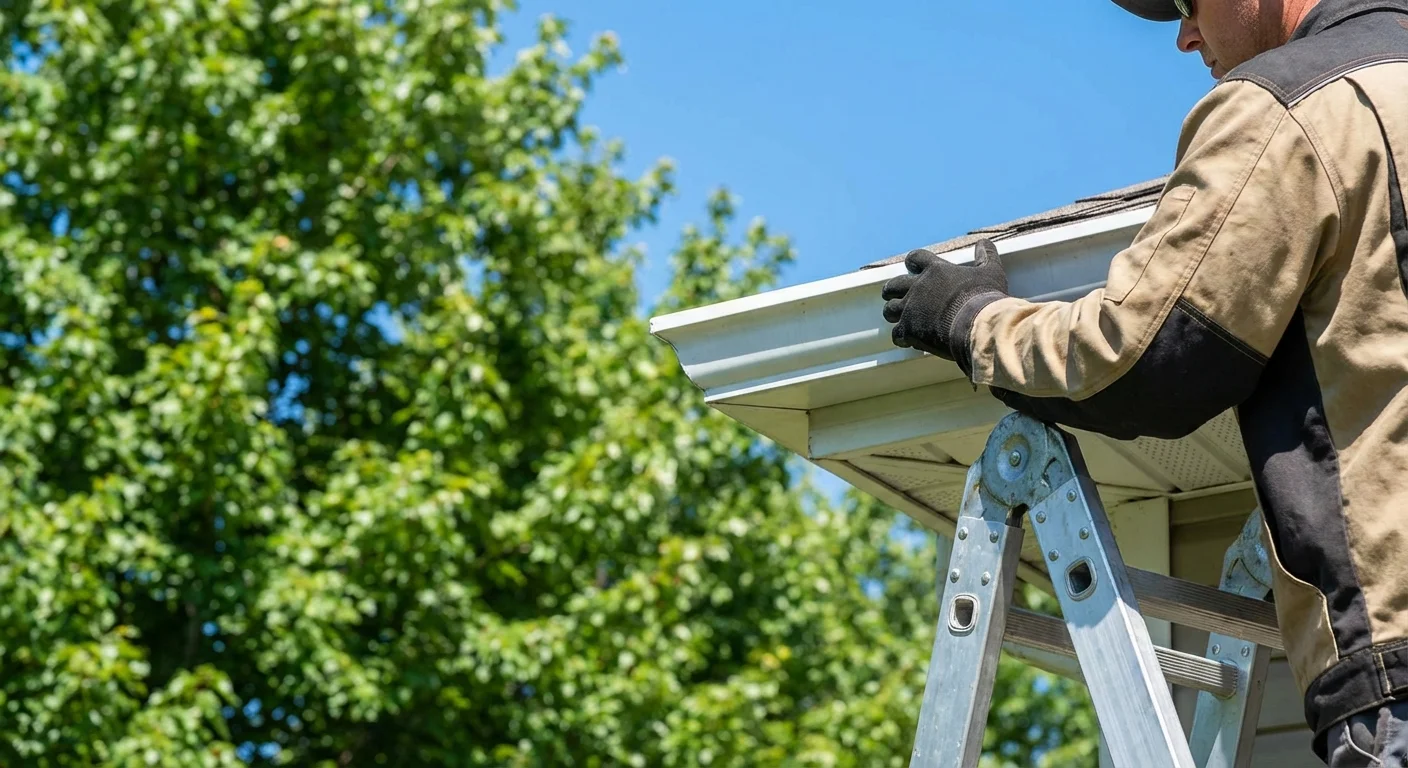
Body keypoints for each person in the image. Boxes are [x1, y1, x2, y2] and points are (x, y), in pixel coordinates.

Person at [881, 0, 1408, 765]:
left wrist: (967, 320)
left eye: (1191, 3)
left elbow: (1144, 359)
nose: (1185, 34)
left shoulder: (1294, 107)